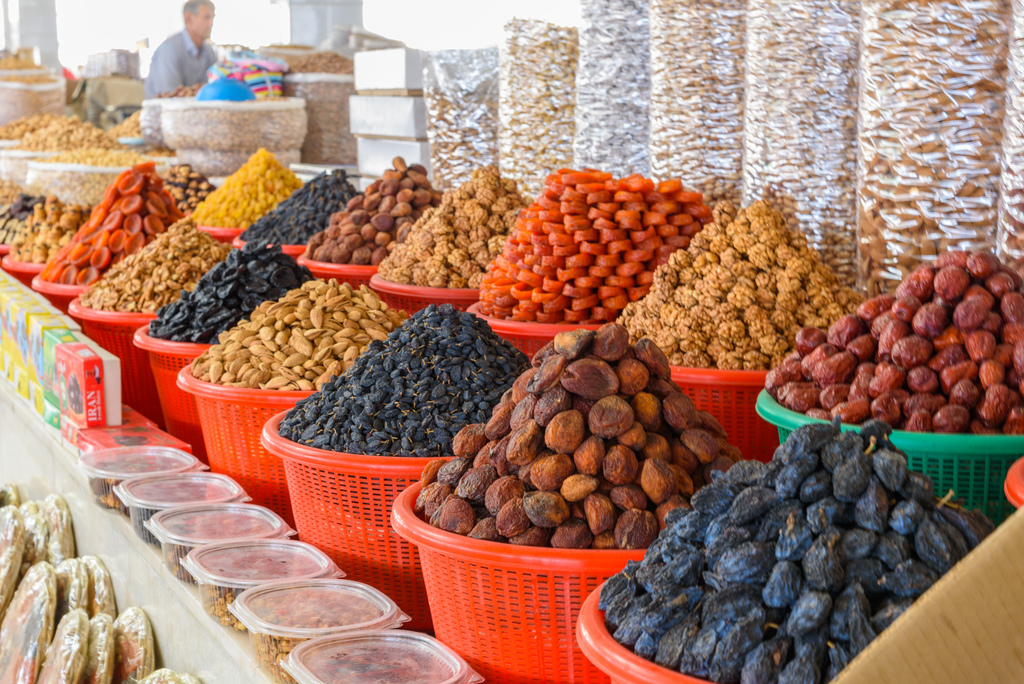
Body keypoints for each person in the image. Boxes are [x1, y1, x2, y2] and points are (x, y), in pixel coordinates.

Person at [145, 0, 217, 99]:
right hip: (165, 112)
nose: (211, 23)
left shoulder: (209, 52)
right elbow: (170, 99)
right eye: (207, 17)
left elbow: (213, 89)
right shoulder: (169, 50)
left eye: (213, 18)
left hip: (196, 111)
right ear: (189, 18)